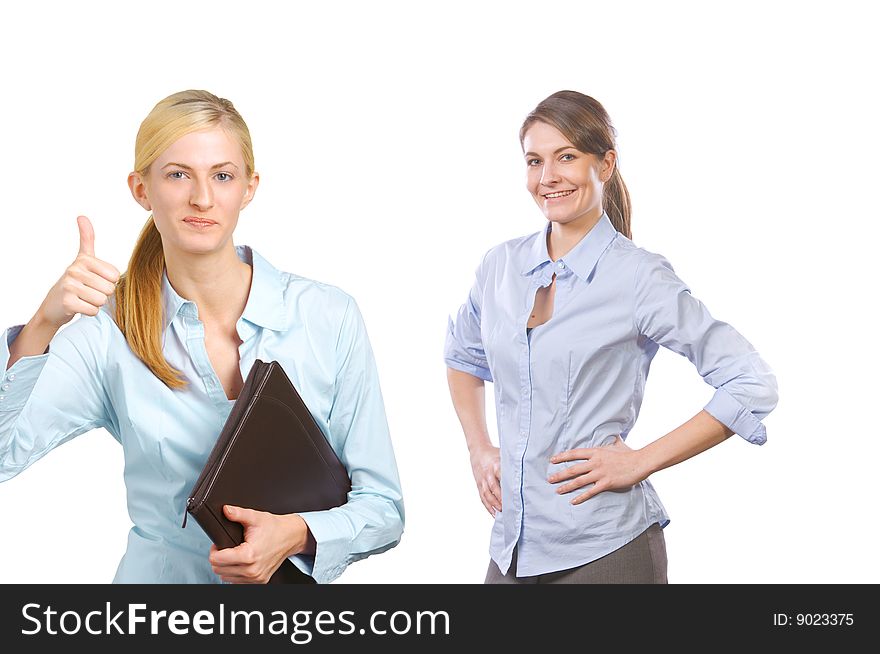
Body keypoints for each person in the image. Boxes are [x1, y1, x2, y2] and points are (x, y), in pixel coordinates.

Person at [0, 90, 404, 584]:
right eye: (177, 174)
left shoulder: (328, 317)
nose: (203, 198)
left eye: (222, 175)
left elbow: (383, 509)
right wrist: (43, 324)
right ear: (141, 189)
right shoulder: (110, 333)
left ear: (249, 187)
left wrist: (296, 534)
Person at [444, 90, 777, 584]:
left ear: (605, 164)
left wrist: (641, 461)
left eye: (567, 157)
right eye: (534, 161)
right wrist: (479, 447)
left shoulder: (639, 278)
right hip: (513, 546)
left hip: (607, 552)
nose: (547, 177)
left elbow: (752, 383)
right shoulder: (500, 266)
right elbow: (462, 355)